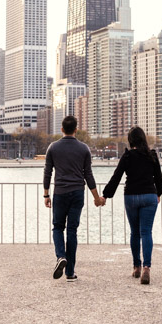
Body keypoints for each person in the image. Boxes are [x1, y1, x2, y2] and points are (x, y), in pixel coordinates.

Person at [43, 115, 104, 281]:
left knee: (57, 227)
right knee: (72, 230)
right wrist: (97, 197)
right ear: (76, 129)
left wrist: (46, 194)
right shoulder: (84, 149)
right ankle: (70, 272)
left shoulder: (53, 148)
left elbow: (47, 172)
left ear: (62, 129)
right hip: (77, 192)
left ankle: (60, 256)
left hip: (60, 192)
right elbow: (88, 175)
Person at [101, 126, 162, 285]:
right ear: (144, 139)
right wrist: (158, 193)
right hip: (149, 196)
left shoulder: (127, 156)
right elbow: (159, 180)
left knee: (135, 232)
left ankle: (136, 267)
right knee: (146, 232)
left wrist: (105, 195)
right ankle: (146, 268)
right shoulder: (152, 155)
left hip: (131, 197)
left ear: (130, 140)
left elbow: (116, 178)